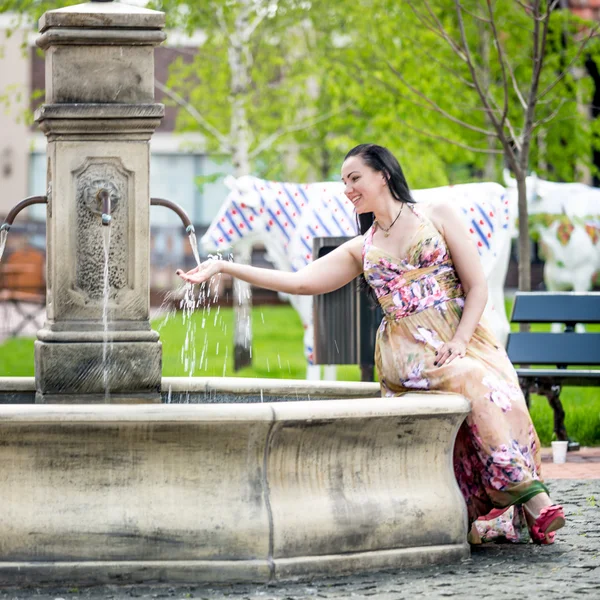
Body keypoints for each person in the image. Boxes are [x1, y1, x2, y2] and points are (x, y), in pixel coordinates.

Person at [177, 143, 565, 545]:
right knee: (470, 378)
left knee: (503, 389)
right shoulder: (361, 248)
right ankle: (534, 500)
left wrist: (462, 339)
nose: (347, 189)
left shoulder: (438, 214)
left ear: (383, 174)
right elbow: (300, 281)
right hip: (408, 348)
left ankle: (499, 504)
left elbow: (478, 286)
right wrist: (223, 265)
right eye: (344, 182)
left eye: (354, 178)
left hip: (461, 337)